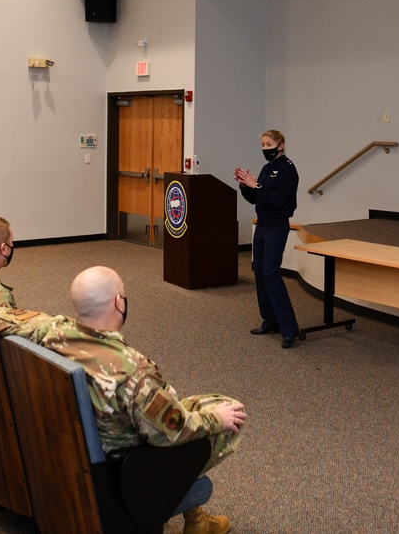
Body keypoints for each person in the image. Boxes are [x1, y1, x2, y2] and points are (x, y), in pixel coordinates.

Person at [36, 266, 245, 534]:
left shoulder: (52, 334)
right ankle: (190, 515)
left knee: (191, 403)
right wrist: (218, 419)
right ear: (118, 302)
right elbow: (174, 433)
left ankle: (197, 518)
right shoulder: (133, 373)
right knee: (223, 412)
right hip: (129, 470)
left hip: (81, 450)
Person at [234, 129, 303, 348]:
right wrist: (246, 186)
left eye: (269, 144)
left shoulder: (288, 169)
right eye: (263, 145)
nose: (265, 149)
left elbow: (280, 200)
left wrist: (258, 186)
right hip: (262, 225)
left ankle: (289, 328)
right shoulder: (267, 168)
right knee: (259, 272)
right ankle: (270, 321)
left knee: (271, 273)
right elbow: (257, 198)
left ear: (280, 145)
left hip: (276, 227)